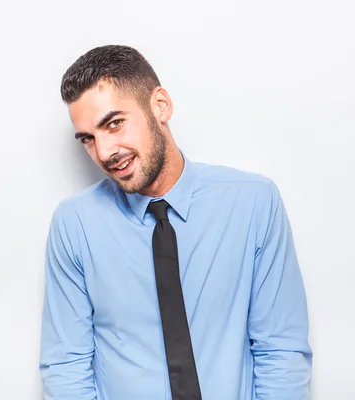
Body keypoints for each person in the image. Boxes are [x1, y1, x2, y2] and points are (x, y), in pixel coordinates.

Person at [38, 45, 312, 400]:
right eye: (89, 139)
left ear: (160, 106)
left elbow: (281, 350)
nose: (105, 152)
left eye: (114, 124)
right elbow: (66, 366)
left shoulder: (253, 203)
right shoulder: (75, 224)